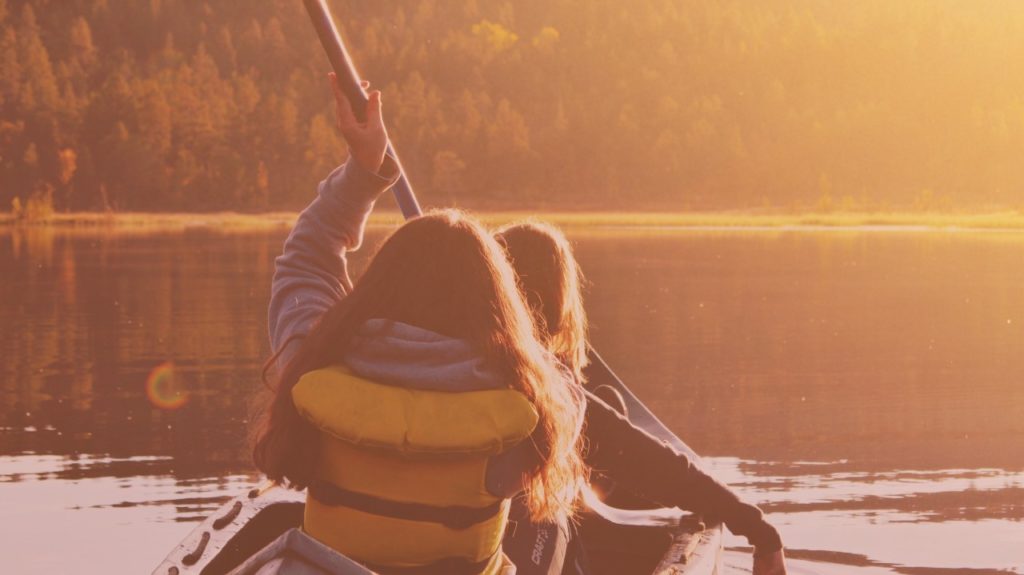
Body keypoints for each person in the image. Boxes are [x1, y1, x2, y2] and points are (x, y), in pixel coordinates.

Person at [252, 75, 587, 575]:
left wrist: (365, 169)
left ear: (379, 287)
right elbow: (565, 385)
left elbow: (307, 257)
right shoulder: (530, 413)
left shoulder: (311, 368)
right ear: (498, 307)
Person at [495, 221, 788, 575]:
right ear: (560, 298)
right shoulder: (551, 394)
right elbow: (652, 464)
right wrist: (760, 530)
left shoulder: (446, 380)